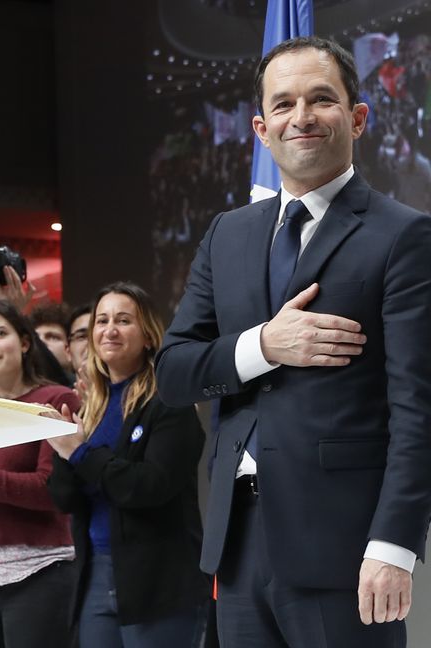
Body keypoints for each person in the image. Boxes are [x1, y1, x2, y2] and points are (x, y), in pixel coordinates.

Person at [155, 36, 431, 648]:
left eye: (321, 99)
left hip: (346, 549)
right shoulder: (226, 234)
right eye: (282, 104)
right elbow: (173, 371)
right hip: (237, 543)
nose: (300, 117)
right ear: (260, 128)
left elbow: (420, 410)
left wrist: (394, 546)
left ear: (357, 117)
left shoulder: (405, 236)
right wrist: (262, 346)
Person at [46, 281, 210, 648]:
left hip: (158, 580)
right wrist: (63, 450)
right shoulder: (91, 406)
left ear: (149, 336)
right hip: (97, 572)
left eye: (123, 320)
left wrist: (81, 453)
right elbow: (65, 499)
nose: (110, 330)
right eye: (101, 321)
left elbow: (148, 486)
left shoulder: (169, 401)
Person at [0, 300, 79, 648]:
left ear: (25, 342)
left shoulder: (54, 399)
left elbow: (52, 490)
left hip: (38, 572)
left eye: (0, 334)